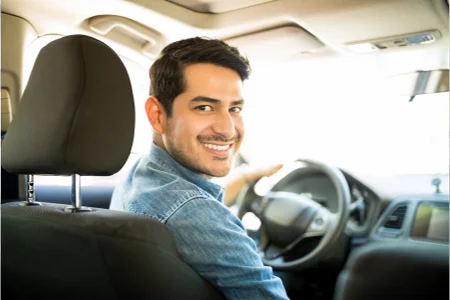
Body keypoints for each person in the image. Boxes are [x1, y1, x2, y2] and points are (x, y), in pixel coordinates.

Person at [110, 37, 289, 299]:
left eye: (235, 108)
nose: (228, 129)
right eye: (204, 107)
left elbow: (191, 202)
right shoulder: (192, 211)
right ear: (157, 115)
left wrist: (248, 176)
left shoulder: (146, 173)